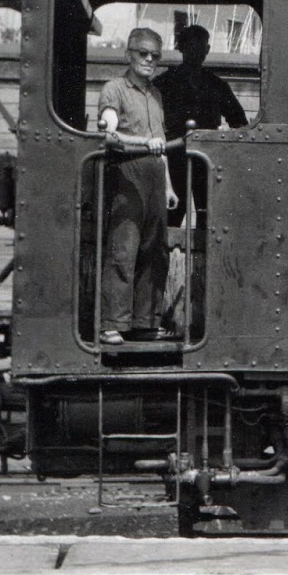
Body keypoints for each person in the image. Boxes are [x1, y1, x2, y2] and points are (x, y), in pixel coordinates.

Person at [97, 27, 178, 346]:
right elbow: (109, 135)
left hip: (156, 176)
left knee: (154, 250)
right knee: (124, 249)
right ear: (128, 54)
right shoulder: (114, 89)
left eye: (155, 56)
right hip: (126, 174)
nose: (148, 60)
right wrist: (145, 142)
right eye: (142, 53)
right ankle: (112, 323)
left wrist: (169, 186)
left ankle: (145, 321)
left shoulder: (156, 95)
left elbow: (163, 144)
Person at [154, 24, 248, 225]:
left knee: (208, 219)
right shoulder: (163, 83)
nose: (196, 52)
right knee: (170, 214)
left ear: (207, 50)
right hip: (173, 160)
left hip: (207, 161)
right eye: (191, 46)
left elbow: (239, 122)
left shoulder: (217, 85)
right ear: (181, 48)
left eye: (201, 47)